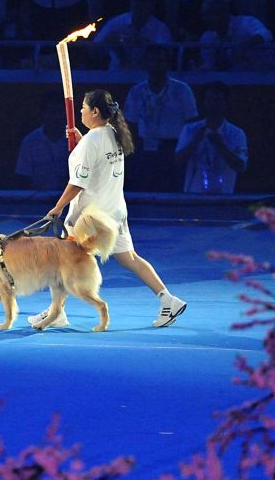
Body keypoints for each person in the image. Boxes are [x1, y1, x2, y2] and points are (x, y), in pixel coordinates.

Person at [29, 89, 187, 329]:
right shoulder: (113, 132)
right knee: (130, 258)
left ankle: (57, 313)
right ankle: (169, 300)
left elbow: (77, 183)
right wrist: (81, 141)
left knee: (62, 261)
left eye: (83, 107)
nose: (80, 110)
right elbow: (98, 159)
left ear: (94, 111)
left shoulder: (91, 142)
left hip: (90, 218)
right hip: (115, 212)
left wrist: (57, 208)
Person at [122, 43, 197, 191]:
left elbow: (191, 123)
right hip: (145, 149)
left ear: (167, 64)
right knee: (144, 191)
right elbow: (130, 124)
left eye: (160, 61)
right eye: (152, 61)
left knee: (172, 192)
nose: (156, 65)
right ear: (145, 64)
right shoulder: (136, 91)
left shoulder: (181, 90)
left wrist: (184, 150)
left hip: (174, 149)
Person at [173, 80, 247, 194]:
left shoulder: (236, 134)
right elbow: (177, 161)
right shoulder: (190, 130)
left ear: (226, 103)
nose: (213, 104)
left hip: (224, 195)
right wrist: (194, 142)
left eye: (218, 100)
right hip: (194, 193)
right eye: (209, 99)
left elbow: (240, 166)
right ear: (204, 102)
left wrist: (220, 144)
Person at [93, 0, 171, 71]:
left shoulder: (161, 29)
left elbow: (164, 57)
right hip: (117, 75)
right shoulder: (116, 23)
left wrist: (144, 44)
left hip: (148, 75)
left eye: (142, 1)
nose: (137, 4)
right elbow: (93, 52)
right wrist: (107, 41)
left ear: (152, 3)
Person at [197, 0, 275, 72]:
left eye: (208, 14)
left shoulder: (246, 22)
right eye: (204, 15)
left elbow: (266, 34)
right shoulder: (207, 38)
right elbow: (209, 66)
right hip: (232, 78)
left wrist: (244, 46)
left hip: (266, 75)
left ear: (224, 13)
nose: (205, 19)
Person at [14, 90, 70, 190]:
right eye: (52, 112)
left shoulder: (76, 140)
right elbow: (23, 177)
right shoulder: (30, 142)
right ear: (43, 113)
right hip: (37, 197)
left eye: (60, 112)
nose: (56, 117)